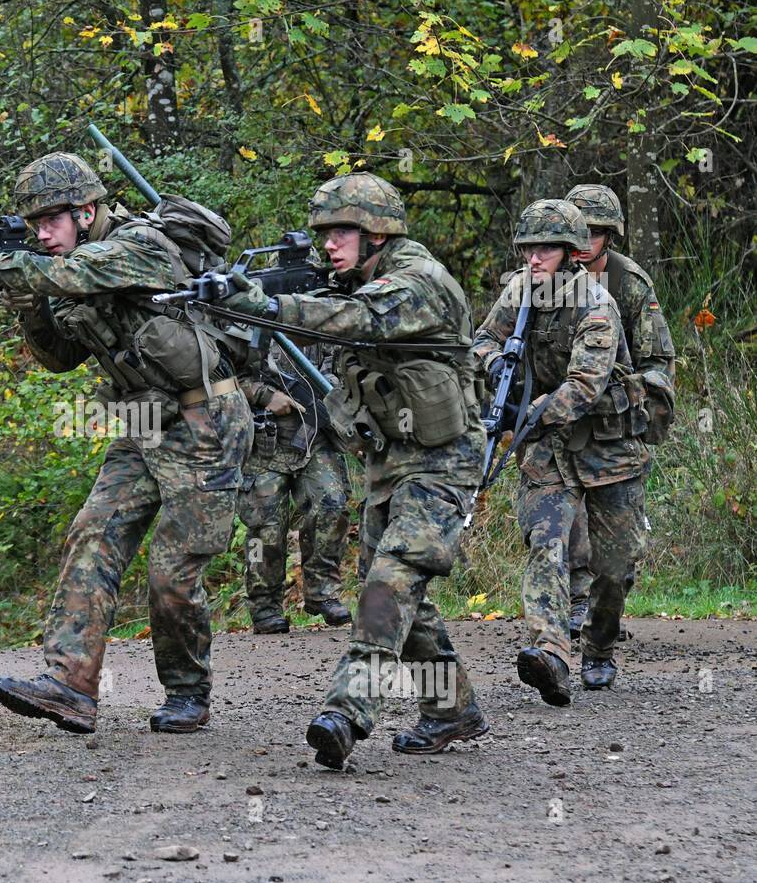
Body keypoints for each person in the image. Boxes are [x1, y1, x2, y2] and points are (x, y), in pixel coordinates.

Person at [0, 152, 252, 734]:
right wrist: (29, 309)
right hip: (144, 420)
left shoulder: (135, 245)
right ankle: (71, 685)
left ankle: (188, 692)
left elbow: (76, 274)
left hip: (205, 421)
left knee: (172, 570)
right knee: (94, 530)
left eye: (51, 221)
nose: (42, 234)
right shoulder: (61, 265)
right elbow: (60, 360)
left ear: (87, 211)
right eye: (35, 224)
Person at [218, 173, 488, 768]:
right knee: (397, 590)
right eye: (324, 233)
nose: (329, 245)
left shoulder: (419, 282)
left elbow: (357, 319)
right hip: (390, 461)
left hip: (443, 462)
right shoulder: (352, 280)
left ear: (377, 233)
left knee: (386, 584)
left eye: (342, 231)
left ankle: (349, 709)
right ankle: (452, 711)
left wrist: (267, 305)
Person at [472, 199, 648, 705]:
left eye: (546, 247)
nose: (534, 257)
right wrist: (498, 369)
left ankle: (598, 647)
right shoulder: (518, 292)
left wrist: (529, 410)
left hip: (607, 445)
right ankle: (550, 651)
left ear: (570, 252)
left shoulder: (596, 303)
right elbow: (482, 340)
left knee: (614, 568)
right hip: (548, 449)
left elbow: (584, 386)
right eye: (528, 247)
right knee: (545, 544)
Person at [562, 184, 676, 670]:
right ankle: (562, 626)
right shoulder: (541, 279)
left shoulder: (629, 282)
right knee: (556, 536)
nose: (588, 240)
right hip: (560, 428)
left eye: (598, 232)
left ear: (611, 235)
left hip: (612, 428)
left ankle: (599, 634)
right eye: (581, 231)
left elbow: (657, 361)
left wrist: (621, 392)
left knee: (617, 559)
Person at [238, 333, 352, 634]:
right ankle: (264, 606)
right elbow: (219, 379)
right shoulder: (251, 323)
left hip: (317, 434)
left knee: (331, 503)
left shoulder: (328, 317)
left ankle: (322, 592)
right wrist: (263, 394)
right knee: (265, 526)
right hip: (265, 441)